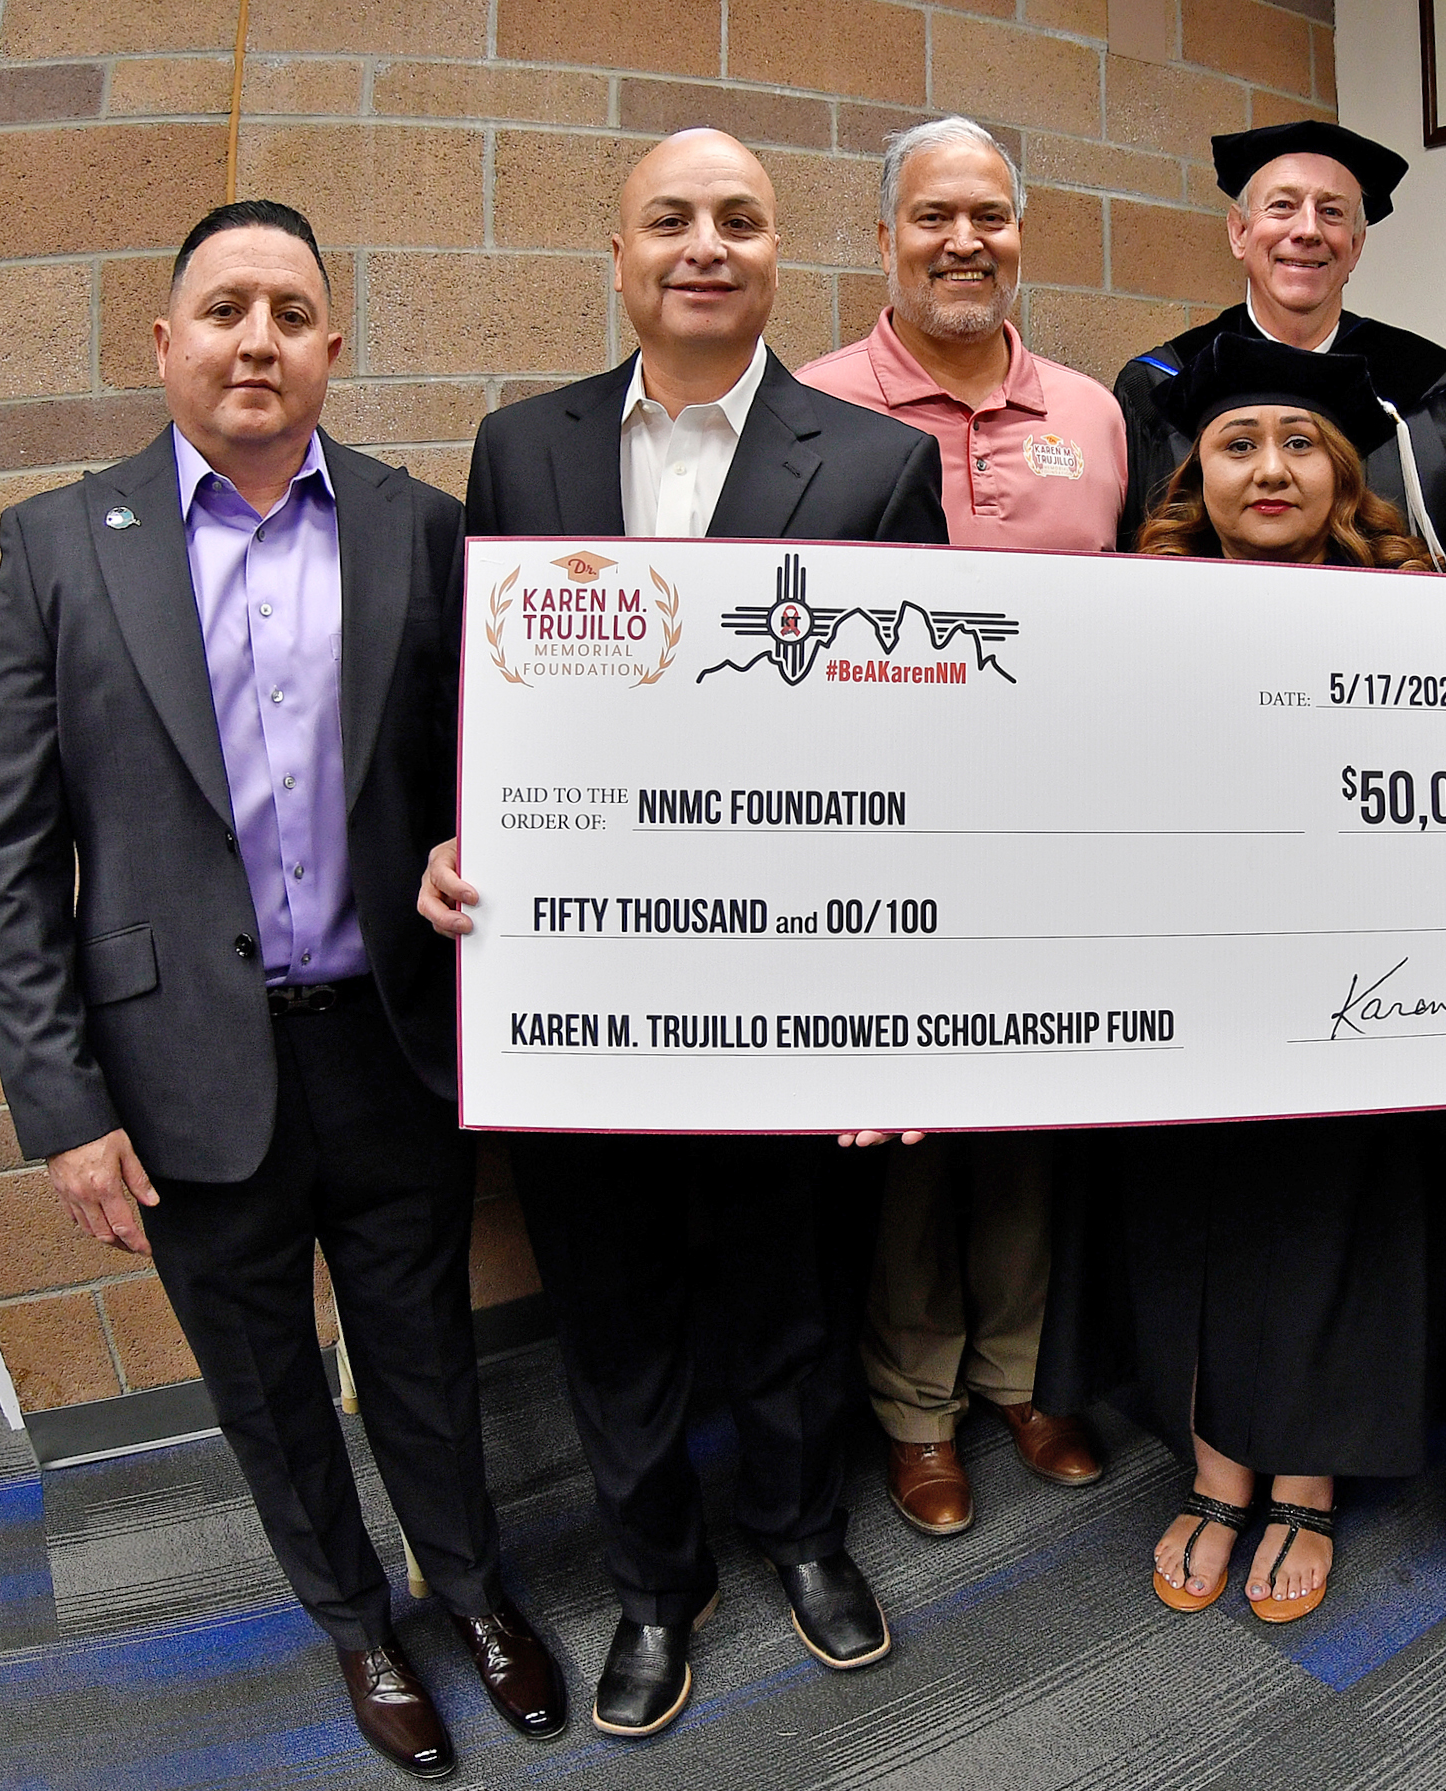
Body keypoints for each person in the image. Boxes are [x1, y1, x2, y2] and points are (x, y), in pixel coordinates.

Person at [0, 201, 562, 1783]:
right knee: (267, 1386)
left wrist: (468, 843)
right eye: (224, 309)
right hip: (175, 1076)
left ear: (330, 349)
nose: (257, 339)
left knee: (425, 1352)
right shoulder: (54, 544)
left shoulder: (415, 527)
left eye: (291, 312)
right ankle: (357, 1621)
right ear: (163, 342)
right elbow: (9, 855)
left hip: (386, 1040)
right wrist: (64, 1108)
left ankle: (476, 1591)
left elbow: (479, 770)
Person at [423, 129, 950, 1741]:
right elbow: (488, 697)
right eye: (671, 218)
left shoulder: (868, 463)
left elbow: (926, 749)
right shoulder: (518, 448)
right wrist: (456, 839)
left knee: (789, 1284)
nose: (703, 243)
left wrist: (903, 999)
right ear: (620, 252)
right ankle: (658, 1578)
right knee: (609, 1294)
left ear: (783, 251)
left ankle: (801, 1531)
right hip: (578, 979)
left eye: (737, 218)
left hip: (789, 971)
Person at [796, 115, 1115, 1537]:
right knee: (909, 1136)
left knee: (1029, 1119)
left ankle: (1017, 1376)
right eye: (933, 215)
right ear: (885, 238)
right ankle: (914, 1407)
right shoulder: (813, 405)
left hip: (1050, 830)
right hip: (886, 834)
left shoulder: (1093, 414)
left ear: (1021, 231)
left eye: (989, 213)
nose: (964, 240)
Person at [1116, 334, 1440, 1625]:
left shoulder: (1420, 613)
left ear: (1343, 470)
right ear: (1197, 463)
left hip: (1351, 983)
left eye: (1301, 442)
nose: (1269, 467)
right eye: (1240, 441)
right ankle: (1213, 1469)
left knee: (1329, 1211)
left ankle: (1303, 1475)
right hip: (1194, 978)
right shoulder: (1133, 606)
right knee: (1194, 1207)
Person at [1113, 120, 1446, 560]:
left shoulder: (1434, 392)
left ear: (1356, 244)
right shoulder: (1158, 387)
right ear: (1239, 232)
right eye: (1282, 206)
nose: (1307, 230)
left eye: (1332, 212)